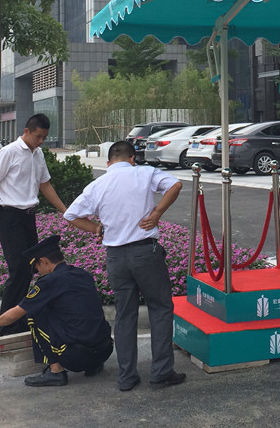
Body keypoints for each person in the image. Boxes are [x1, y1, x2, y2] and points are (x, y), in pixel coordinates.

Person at [64, 140, 186, 391]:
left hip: (116, 257)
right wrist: (157, 213)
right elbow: (175, 184)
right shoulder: (145, 172)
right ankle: (161, 372)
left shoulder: (98, 184)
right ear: (132, 158)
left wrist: (96, 228)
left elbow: (71, 215)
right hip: (145, 252)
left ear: (109, 162)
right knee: (160, 308)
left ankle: (127, 376)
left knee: (125, 314)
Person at [0, 235, 113, 387]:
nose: (38, 273)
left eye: (37, 268)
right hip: (104, 350)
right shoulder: (82, 274)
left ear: (44, 261)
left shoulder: (49, 281)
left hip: (77, 358)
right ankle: (94, 365)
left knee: (34, 313)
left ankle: (55, 371)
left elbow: (16, 313)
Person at [0, 113, 67, 335]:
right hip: (9, 216)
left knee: (30, 268)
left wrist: (65, 210)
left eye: (44, 137)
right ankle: (4, 328)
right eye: (38, 136)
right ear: (26, 131)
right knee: (18, 268)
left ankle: (18, 321)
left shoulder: (38, 154)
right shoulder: (9, 152)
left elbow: (45, 185)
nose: (41, 141)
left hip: (28, 217)